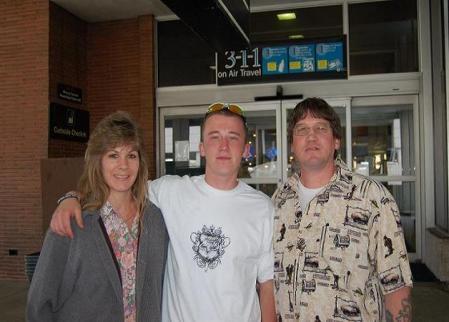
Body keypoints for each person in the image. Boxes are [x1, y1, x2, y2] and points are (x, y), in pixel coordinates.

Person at [50, 103, 277, 322]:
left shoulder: (263, 207)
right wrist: (72, 197)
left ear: (246, 149)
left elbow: (267, 285)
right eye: (214, 137)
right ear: (201, 147)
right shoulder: (170, 190)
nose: (224, 146)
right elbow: (118, 186)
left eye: (233, 137)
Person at [272, 98, 412, 321]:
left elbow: (396, 286)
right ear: (292, 145)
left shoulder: (372, 197)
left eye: (321, 128)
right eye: (302, 130)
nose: (311, 136)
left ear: (336, 141)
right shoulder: (278, 201)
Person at [27, 112, 168, 322]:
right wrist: (70, 197)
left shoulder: (155, 219)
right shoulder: (72, 222)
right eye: (113, 155)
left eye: (131, 155)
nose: (123, 165)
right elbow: (39, 304)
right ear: (98, 161)